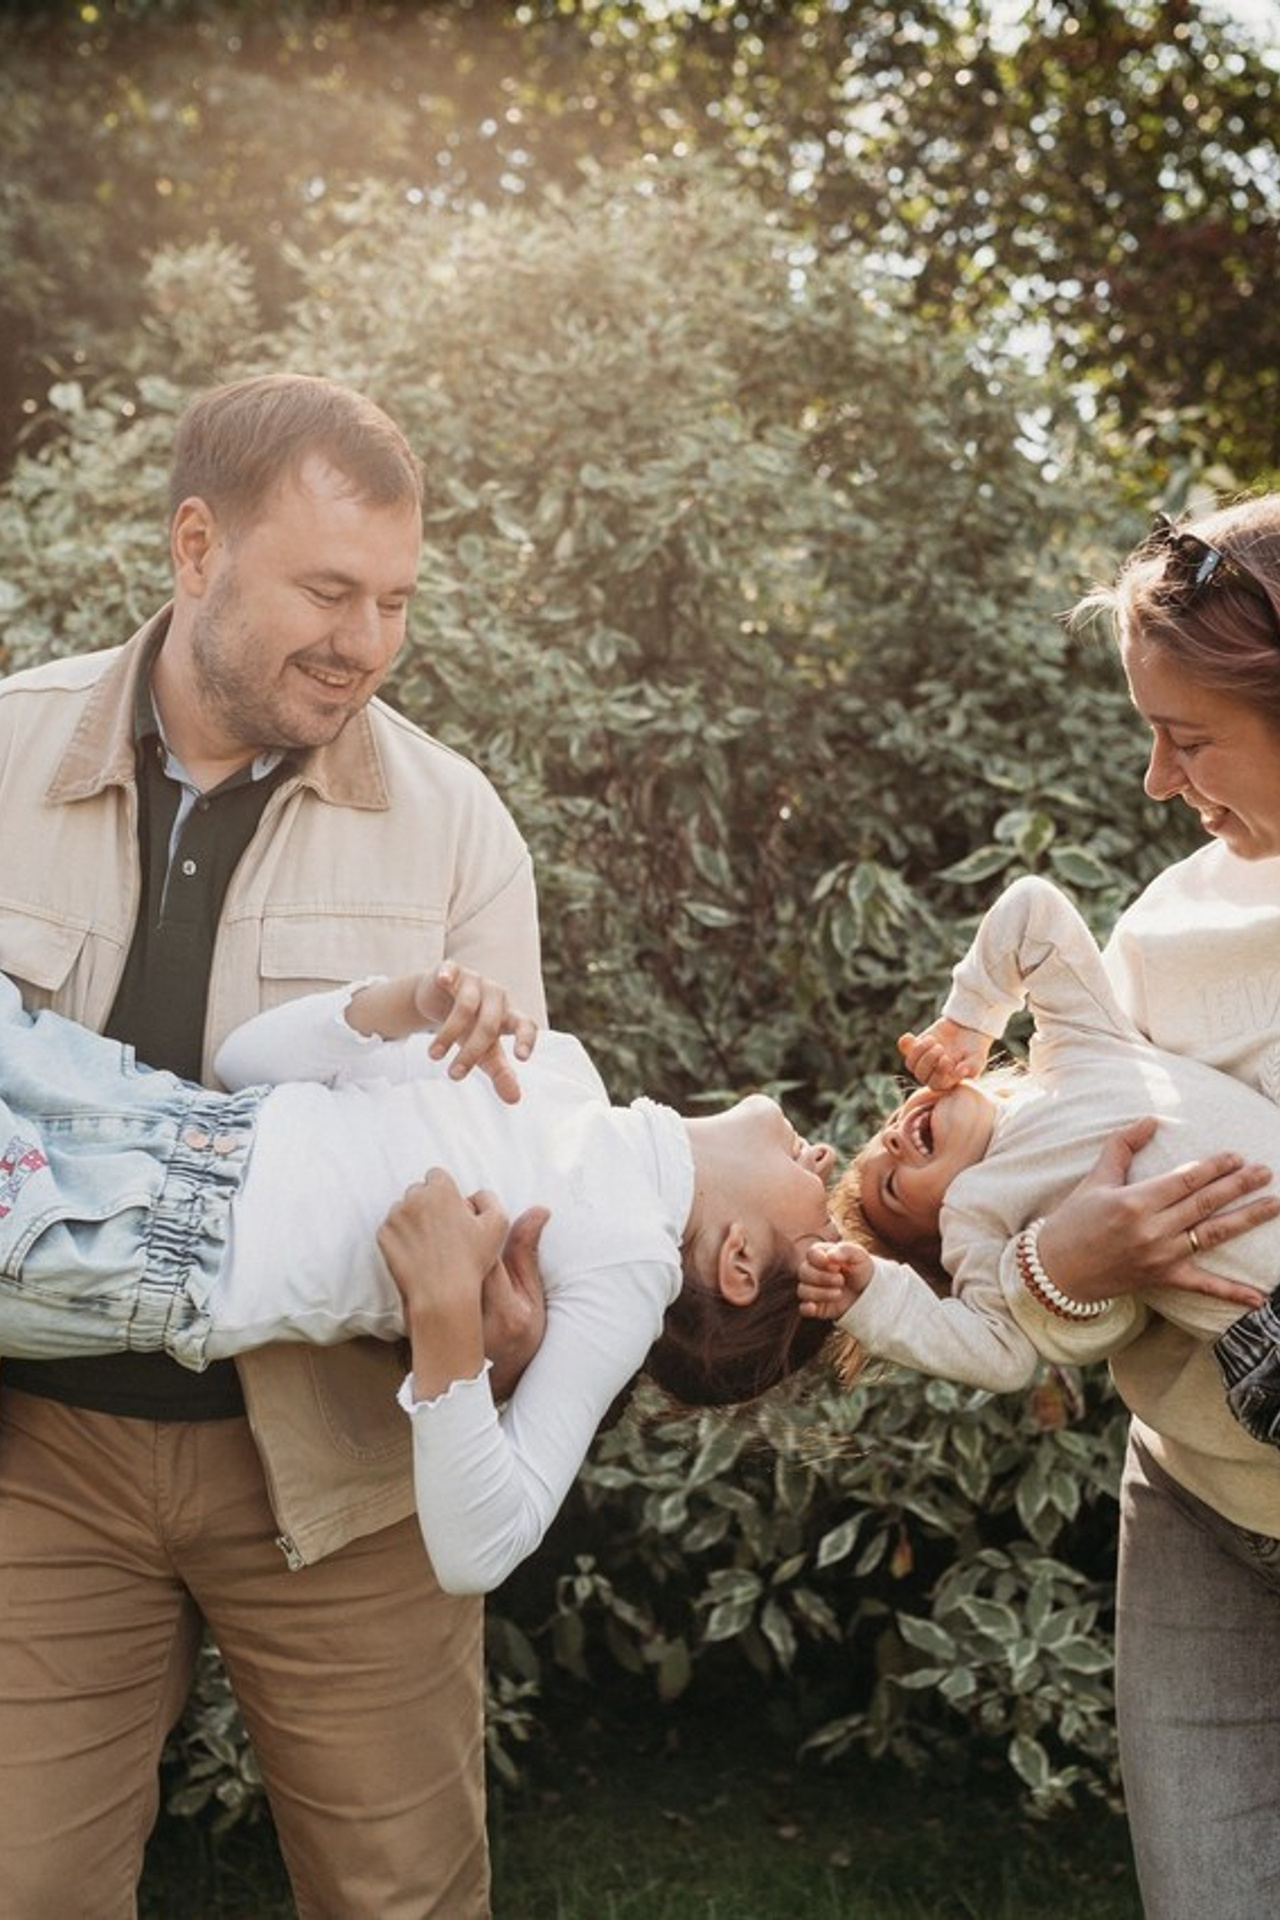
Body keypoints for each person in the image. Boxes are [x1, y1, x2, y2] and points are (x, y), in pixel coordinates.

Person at [0, 373, 547, 1918]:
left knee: (403, 1902)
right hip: (40, 1465)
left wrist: (507, 1310)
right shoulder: (4, 751)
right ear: (194, 550)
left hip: (342, 1466)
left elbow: (508, 1169)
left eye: (392, 600)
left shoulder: (456, 828)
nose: (365, 644)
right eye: (327, 590)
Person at [857, 498, 1280, 1920]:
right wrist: (1055, 1264)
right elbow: (1055, 1191)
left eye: (1190, 735)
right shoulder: (1171, 922)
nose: (1158, 781)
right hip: (1199, 1501)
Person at [0, 958, 836, 1596]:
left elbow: (482, 1550)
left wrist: (446, 1319)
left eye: (824, 1215)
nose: (827, 1159)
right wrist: (405, 1006)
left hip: (130, 1233)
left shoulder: (631, 1267)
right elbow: (243, 1062)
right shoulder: (563, 1075)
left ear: (738, 1263)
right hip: (135, 1104)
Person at [797, 875, 1278, 1429]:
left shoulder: (1075, 1044)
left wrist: (970, 1019)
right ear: (942, 1236)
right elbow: (1001, 1355)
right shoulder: (978, 1217)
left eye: (887, 1129)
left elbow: (1032, 909)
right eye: (891, 1183)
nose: (895, 1138)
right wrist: (875, 1296)